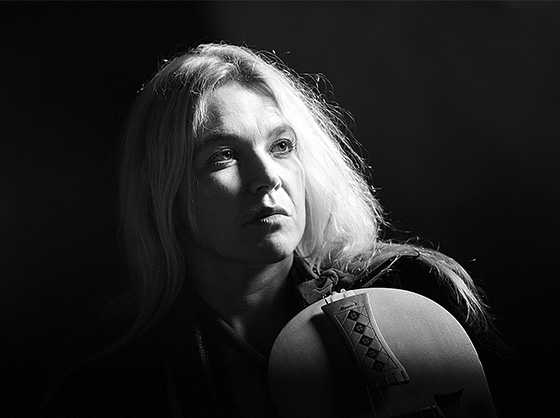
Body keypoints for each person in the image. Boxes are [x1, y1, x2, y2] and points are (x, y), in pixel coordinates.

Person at [42, 42, 498, 418]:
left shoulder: (415, 294)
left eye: (281, 146)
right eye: (223, 156)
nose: (267, 177)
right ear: (165, 195)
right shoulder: (111, 385)